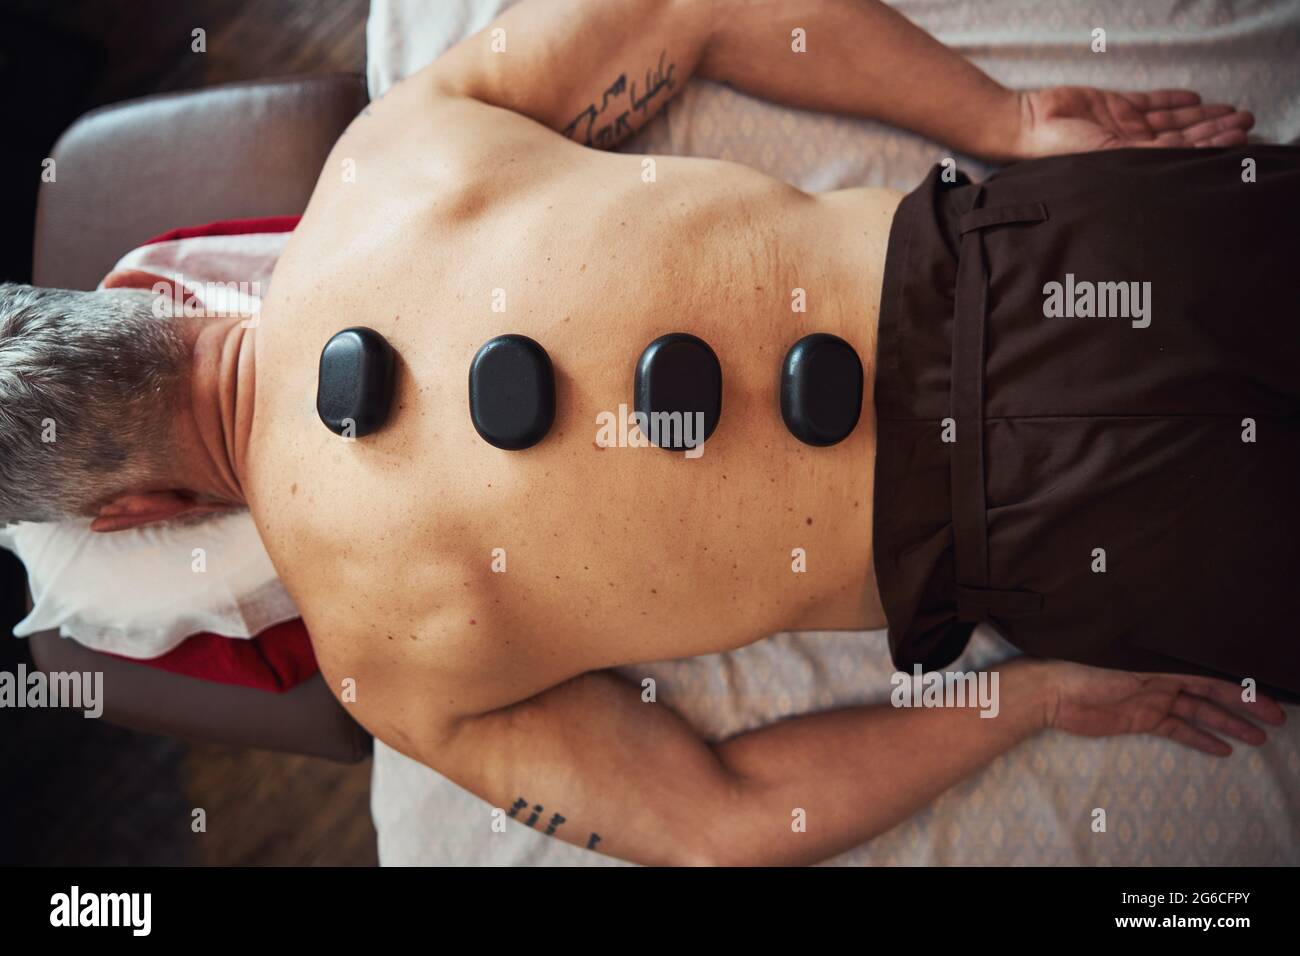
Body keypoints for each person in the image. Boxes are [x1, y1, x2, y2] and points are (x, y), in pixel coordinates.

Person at [0, 0, 1289, 866]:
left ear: (133, 516)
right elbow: (698, 12)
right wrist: (1004, 126)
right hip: (1059, 258)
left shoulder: (385, 673)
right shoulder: (394, 151)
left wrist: (1035, 701)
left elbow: (719, 826)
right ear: (152, 286)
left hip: (1075, 537)